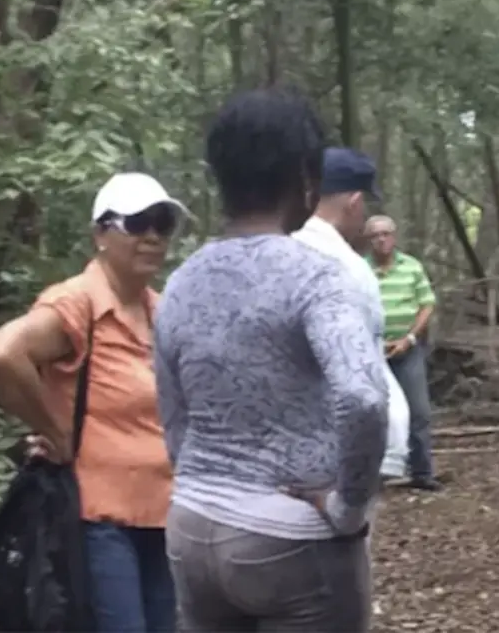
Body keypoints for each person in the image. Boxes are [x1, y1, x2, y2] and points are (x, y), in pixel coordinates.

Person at [153, 89, 389, 633]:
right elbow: (362, 394)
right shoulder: (316, 276)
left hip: (193, 529)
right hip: (292, 542)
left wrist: (203, 480)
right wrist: (349, 506)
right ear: (306, 178)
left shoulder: (181, 282)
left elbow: (172, 413)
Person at [0, 172, 188, 633]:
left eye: (162, 222)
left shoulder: (160, 309)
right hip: (99, 518)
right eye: (137, 223)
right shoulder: (78, 303)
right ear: (101, 234)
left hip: (163, 512)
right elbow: (0, 353)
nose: (152, 235)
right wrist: (55, 431)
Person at [292, 147, 413, 491]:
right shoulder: (349, 268)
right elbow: (364, 373)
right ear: (354, 202)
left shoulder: (277, 251)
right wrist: (390, 442)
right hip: (338, 450)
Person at [365, 214, 441, 491]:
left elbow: (427, 304)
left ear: (394, 236)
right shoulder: (359, 269)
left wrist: (409, 338)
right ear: (369, 240)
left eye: (386, 233)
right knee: (372, 411)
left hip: (408, 348)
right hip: (371, 352)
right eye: (375, 235)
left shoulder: (411, 267)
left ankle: (422, 472)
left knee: (418, 410)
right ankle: (375, 473)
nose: (381, 239)